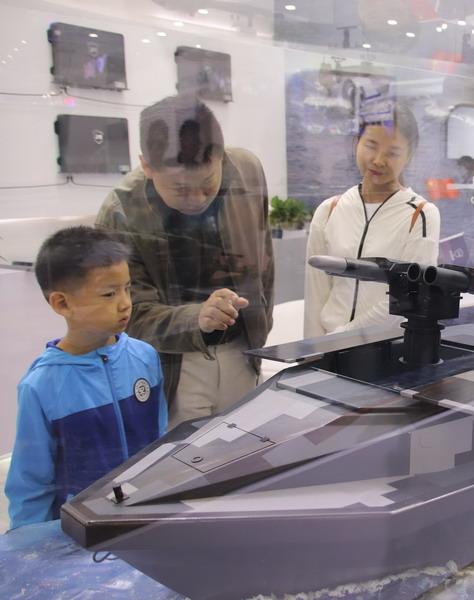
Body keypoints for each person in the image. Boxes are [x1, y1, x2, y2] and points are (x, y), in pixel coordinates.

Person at [96, 95, 273, 427]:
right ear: (147, 166)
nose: (196, 199)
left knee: (247, 446)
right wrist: (197, 318)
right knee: (183, 454)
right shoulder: (121, 212)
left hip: (243, 350)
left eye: (207, 184)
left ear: (221, 155)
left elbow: (264, 265)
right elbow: (127, 314)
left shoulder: (246, 170)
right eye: (180, 189)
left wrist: (260, 332)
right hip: (173, 366)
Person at [5, 226, 167, 529]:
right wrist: (31, 546)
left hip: (145, 520)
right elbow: (31, 485)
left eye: (127, 288)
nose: (125, 303)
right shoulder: (41, 386)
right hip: (82, 534)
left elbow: (160, 442)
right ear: (62, 304)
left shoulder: (144, 357)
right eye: (109, 293)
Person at [304, 103, 439, 337]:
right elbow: (315, 294)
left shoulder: (421, 215)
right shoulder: (329, 210)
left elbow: (407, 298)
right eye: (371, 145)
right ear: (356, 142)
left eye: (392, 153)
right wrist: (312, 350)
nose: (378, 160)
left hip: (386, 349)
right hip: (328, 347)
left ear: (409, 156)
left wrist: (339, 339)